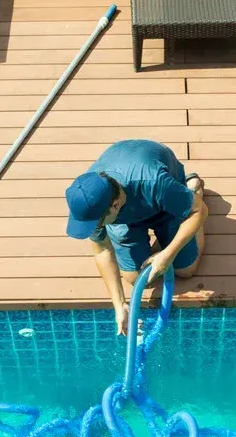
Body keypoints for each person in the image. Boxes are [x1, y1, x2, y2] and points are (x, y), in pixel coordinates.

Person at [63, 139, 207, 335]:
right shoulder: (91, 201)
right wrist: (119, 305)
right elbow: (102, 250)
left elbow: (200, 212)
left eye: (97, 224)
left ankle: (191, 189)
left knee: (186, 269)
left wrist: (168, 254)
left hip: (161, 201)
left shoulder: (154, 182)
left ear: (114, 206)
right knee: (134, 277)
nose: (94, 228)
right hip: (128, 216)